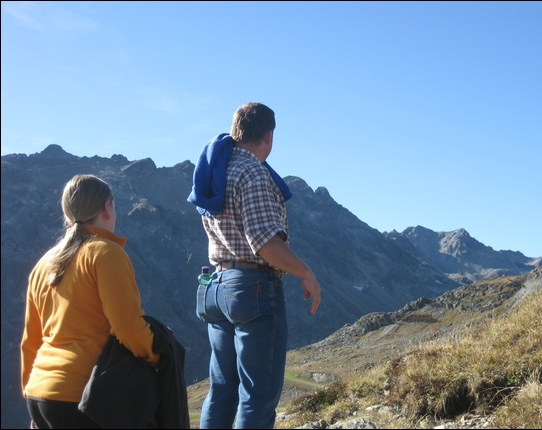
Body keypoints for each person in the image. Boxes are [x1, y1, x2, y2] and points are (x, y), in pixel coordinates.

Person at [188, 102, 322, 429]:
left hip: (215, 287)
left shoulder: (215, 171)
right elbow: (264, 243)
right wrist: (305, 273)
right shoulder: (252, 172)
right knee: (257, 395)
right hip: (252, 289)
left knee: (221, 390)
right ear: (268, 135)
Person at [21, 174, 161, 429]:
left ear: (67, 215)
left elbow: (31, 340)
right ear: (107, 208)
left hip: (40, 393)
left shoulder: (44, 264)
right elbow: (127, 326)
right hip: (85, 396)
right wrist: (157, 356)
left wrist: (32, 392)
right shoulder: (106, 253)